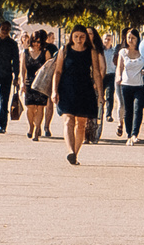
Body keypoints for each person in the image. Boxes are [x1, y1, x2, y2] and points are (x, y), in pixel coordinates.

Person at [56, 24, 101, 164]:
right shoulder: (64, 50)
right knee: (68, 120)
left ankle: (74, 154)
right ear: (71, 37)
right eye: (76, 36)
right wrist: (54, 90)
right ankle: (70, 150)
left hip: (84, 89)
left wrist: (100, 94)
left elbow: (97, 73)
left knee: (81, 123)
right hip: (67, 88)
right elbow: (57, 71)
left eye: (82, 37)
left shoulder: (91, 51)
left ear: (86, 38)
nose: (79, 39)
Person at [114, 26, 144, 145]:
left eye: (133, 38)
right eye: (128, 38)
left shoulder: (143, 52)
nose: (131, 40)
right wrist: (118, 77)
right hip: (126, 85)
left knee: (138, 109)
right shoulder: (122, 52)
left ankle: (134, 134)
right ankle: (129, 135)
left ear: (138, 39)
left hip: (140, 85)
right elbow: (119, 67)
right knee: (128, 110)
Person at [22, 31, 55, 141]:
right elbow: (23, 69)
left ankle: (37, 130)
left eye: (39, 42)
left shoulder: (45, 52)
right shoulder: (25, 52)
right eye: (35, 41)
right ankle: (31, 126)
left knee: (40, 107)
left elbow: (49, 67)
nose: (36, 44)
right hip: (29, 82)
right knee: (30, 107)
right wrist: (22, 82)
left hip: (41, 83)